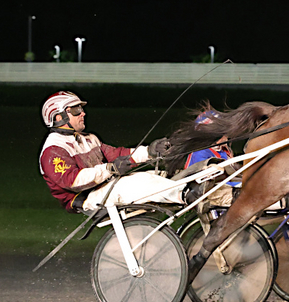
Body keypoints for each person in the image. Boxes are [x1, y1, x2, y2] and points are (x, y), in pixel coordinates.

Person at [39, 91, 196, 213]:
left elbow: (118, 154)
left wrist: (150, 151)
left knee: (152, 176)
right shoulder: (53, 150)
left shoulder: (89, 138)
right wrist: (110, 169)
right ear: (59, 117)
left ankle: (188, 189)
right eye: (76, 110)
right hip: (86, 198)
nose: (83, 113)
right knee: (136, 183)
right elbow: (72, 181)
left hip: (104, 187)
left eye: (81, 109)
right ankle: (188, 195)